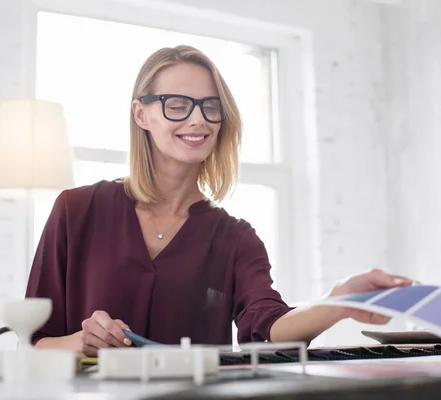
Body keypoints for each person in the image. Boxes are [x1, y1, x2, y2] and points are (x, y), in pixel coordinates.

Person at [25, 45, 413, 357]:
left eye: (210, 107)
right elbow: (35, 341)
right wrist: (81, 342)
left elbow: (268, 329)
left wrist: (339, 301)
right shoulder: (76, 211)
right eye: (177, 104)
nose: (198, 120)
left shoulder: (235, 239)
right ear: (141, 114)